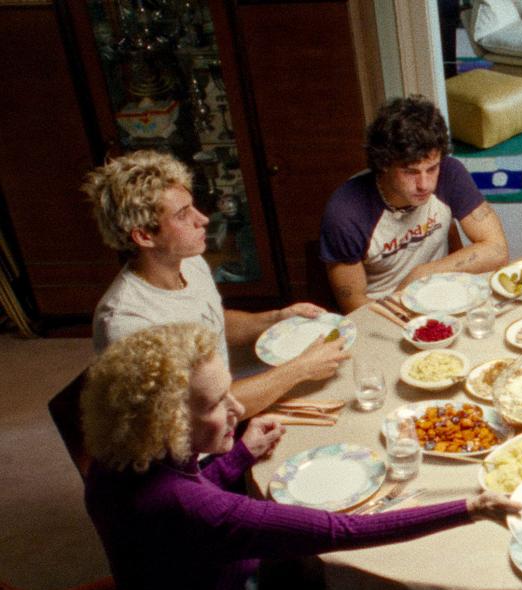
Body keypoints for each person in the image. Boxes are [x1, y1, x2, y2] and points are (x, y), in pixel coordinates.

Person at [81, 323, 521, 590]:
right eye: (217, 403)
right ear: (168, 423)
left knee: (314, 581)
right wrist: (469, 507)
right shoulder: (194, 509)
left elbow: (187, 502)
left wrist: (240, 455)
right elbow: (341, 531)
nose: (237, 408)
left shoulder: (115, 462)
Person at [85, 150, 348, 418]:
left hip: (227, 400)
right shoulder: (127, 322)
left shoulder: (187, 262)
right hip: (200, 441)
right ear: (143, 236)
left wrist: (275, 318)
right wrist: (299, 369)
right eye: (182, 215)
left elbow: (210, 323)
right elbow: (199, 413)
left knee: (347, 383)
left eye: (193, 207)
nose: (203, 219)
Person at [320, 95, 509, 312]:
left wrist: (424, 274)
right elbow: (355, 308)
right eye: (410, 172)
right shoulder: (345, 213)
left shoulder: (450, 172)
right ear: (383, 164)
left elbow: (497, 250)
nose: (425, 184)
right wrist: (405, 306)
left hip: (444, 295)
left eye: (432, 169)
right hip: (385, 311)